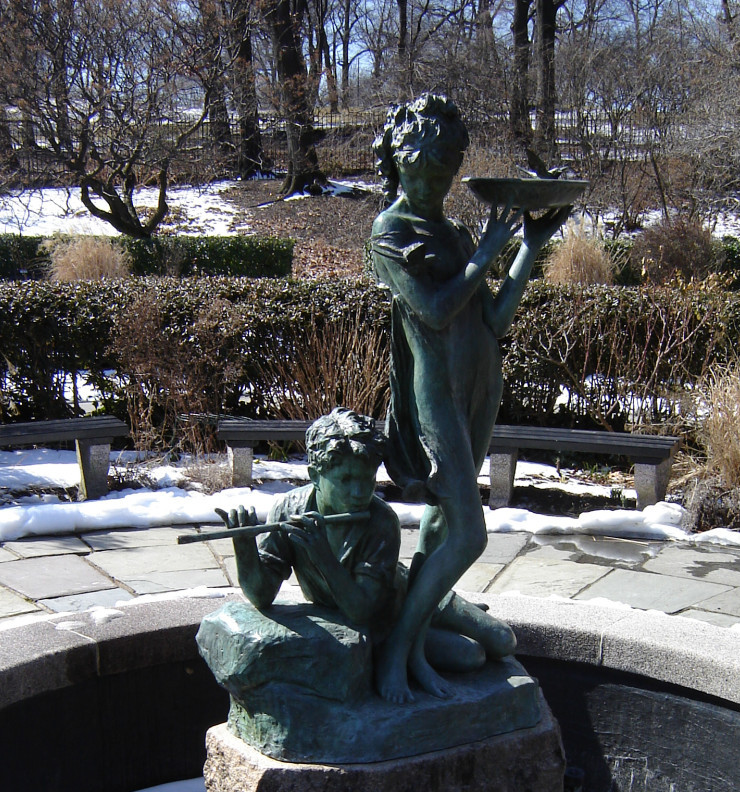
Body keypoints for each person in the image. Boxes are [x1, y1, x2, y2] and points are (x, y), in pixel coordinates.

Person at [370, 94, 571, 703]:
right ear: (397, 164)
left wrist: (530, 247)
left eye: (444, 174)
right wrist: (484, 255)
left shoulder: (455, 233)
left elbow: (493, 318)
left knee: (438, 530)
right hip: (436, 397)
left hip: (480, 384)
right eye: (420, 172)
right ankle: (396, 660)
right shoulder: (390, 232)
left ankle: (421, 633)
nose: (432, 185)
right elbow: (431, 311)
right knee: (469, 534)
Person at [222, 407, 516, 678]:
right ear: (315, 476)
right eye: (346, 479)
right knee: (471, 656)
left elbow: (360, 608)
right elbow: (261, 596)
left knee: (503, 641)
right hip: (385, 627)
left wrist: (323, 557)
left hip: (415, 593)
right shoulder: (290, 510)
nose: (359, 491)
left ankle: (444, 615)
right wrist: (245, 548)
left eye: (367, 479)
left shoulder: (380, 520)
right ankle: (422, 638)